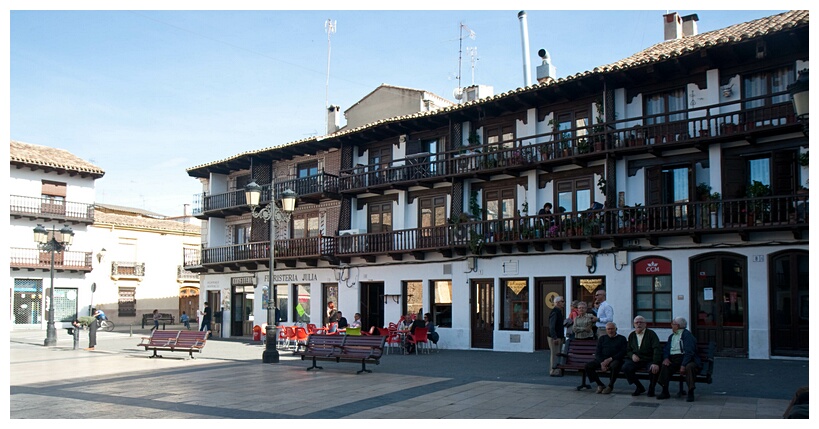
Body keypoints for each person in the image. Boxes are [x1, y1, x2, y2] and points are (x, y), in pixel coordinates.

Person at [657, 317, 702, 402]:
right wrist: (666, 358)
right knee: (665, 366)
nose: (671, 326)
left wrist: (683, 365)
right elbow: (666, 349)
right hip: (674, 359)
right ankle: (665, 391)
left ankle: (690, 391)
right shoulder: (672, 336)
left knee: (689, 367)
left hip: (688, 359)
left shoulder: (687, 335)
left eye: (672, 324)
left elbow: (689, 352)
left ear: (677, 326)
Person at [622, 315, 662, 397]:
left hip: (649, 359)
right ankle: (639, 387)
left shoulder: (651, 334)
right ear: (634, 324)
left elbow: (657, 348)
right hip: (637, 360)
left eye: (641, 322)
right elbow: (628, 350)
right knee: (626, 367)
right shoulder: (632, 335)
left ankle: (651, 388)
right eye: (637, 322)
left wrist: (655, 362)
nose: (639, 324)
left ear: (645, 324)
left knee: (653, 369)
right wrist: (632, 355)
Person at [584, 322, 627, 394]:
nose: (610, 331)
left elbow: (622, 352)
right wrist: (602, 363)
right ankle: (600, 384)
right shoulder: (602, 338)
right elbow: (597, 353)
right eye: (608, 329)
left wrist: (610, 359)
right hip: (602, 359)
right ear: (606, 330)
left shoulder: (622, 338)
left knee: (615, 366)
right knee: (588, 366)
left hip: (615, 359)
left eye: (612, 329)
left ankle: (610, 386)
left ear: (616, 329)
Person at [548, 296, 566, 377]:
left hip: (559, 336)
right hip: (555, 337)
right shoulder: (555, 312)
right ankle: (553, 370)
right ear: (558, 303)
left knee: (557, 353)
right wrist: (554, 337)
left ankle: (557, 369)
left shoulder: (558, 311)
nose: (564, 303)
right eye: (562, 301)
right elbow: (552, 326)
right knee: (555, 354)